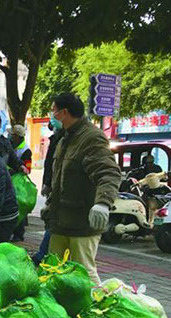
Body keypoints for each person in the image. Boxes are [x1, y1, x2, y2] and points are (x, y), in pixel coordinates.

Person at [42, 93, 122, 284]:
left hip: (82, 223)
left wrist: (103, 203)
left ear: (64, 112)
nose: (52, 116)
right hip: (59, 222)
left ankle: (96, 303)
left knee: (84, 275)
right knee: (53, 273)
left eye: (54, 111)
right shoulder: (64, 138)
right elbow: (62, 178)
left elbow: (108, 173)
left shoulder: (91, 137)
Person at [32, 122, 64, 265]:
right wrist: (47, 183)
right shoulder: (56, 138)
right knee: (51, 224)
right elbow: (50, 164)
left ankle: (42, 255)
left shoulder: (69, 138)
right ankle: (43, 255)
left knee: (53, 225)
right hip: (55, 190)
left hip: (64, 196)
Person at [8, 124, 32, 242]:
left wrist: (12, 170)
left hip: (18, 182)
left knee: (19, 207)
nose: (10, 136)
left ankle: (18, 233)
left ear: (17, 136)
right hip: (9, 180)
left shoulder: (25, 151)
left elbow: (28, 169)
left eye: (12, 134)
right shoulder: (9, 146)